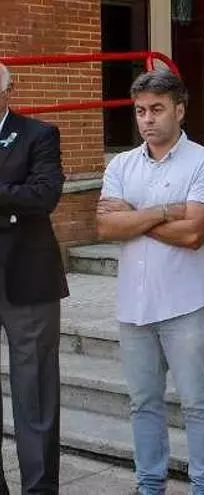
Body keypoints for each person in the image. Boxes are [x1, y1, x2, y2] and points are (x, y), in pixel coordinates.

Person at [96, 69, 204, 495]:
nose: (147, 119)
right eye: (140, 111)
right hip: (133, 309)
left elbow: (193, 235)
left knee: (198, 404)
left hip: (186, 306)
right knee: (143, 404)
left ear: (180, 110)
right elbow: (105, 227)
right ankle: (149, 484)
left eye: (157, 109)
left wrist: (133, 217)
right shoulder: (121, 164)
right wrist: (165, 211)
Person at [0, 62, 68, 493]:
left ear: (6, 92)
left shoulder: (38, 135)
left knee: (35, 392)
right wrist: (11, 199)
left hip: (26, 277)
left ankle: (39, 489)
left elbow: (43, 195)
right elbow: (21, 197)